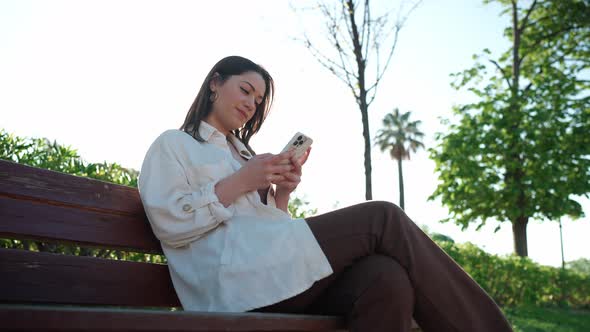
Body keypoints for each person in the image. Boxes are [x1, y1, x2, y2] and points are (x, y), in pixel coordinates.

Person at [138, 55, 514, 332]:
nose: (251, 104)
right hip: (231, 286)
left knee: (385, 279)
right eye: (246, 90)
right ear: (215, 83)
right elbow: (171, 223)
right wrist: (242, 181)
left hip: (269, 276)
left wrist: (281, 195)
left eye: (257, 100)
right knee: (382, 217)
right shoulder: (173, 145)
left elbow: (263, 229)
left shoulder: (245, 155)